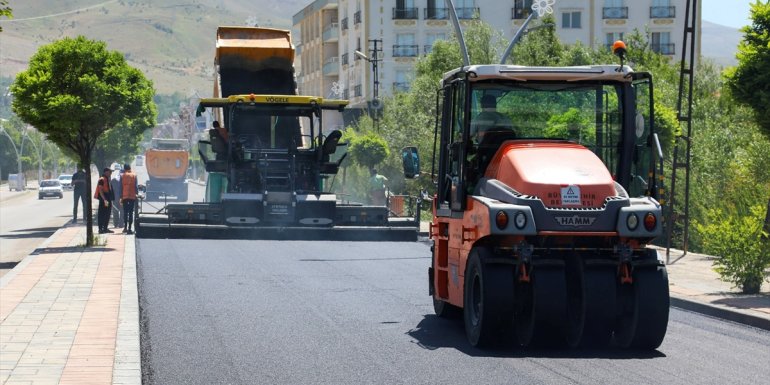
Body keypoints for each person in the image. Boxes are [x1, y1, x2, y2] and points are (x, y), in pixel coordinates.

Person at [120, 163, 139, 235]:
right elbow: (136, 187)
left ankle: (125, 227)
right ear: (130, 168)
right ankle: (130, 228)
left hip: (124, 197)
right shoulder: (134, 175)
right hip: (132, 196)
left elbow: (121, 187)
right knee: (131, 212)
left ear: (124, 169)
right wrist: (137, 194)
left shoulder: (122, 176)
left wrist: (121, 197)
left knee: (125, 212)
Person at [94, 168, 114, 234]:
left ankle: (105, 228)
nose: (111, 173)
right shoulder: (101, 179)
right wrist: (104, 199)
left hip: (107, 198)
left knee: (107, 213)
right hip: (104, 199)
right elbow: (100, 190)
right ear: (106, 172)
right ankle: (100, 229)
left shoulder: (107, 179)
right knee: (102, 214)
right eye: (110, 172)